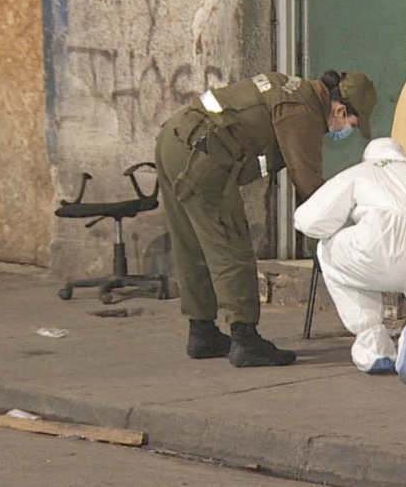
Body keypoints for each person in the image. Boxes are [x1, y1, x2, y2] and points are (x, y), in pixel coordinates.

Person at [155, 70, 378, 367]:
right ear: (339, 109)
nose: (345, 130)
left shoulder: (293, 90)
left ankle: (202, 331)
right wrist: (352, 228)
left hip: (175, 138)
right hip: (204, 155)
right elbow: (309, 185)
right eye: (351, 123)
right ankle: (245, 338)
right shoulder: (303, 112)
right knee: (230, 244)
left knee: (192, 243)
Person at [293, 137, 406, 388]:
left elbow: (308, 220)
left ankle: (373, 346)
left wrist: (346, 222)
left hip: (383, 248)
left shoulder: (364, 171)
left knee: (328, 250)